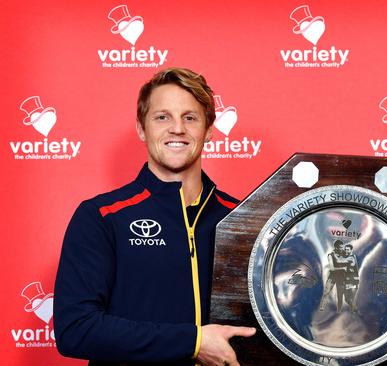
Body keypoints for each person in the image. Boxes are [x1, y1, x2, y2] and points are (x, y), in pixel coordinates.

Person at [54, 67, 255, 366]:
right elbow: (75, 329)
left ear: (209, 130)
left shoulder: (243, 219)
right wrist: (194, 342)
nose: (177, 128)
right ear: (141, 128)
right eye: (163, 117)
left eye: (190, 117)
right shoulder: (101, 217)